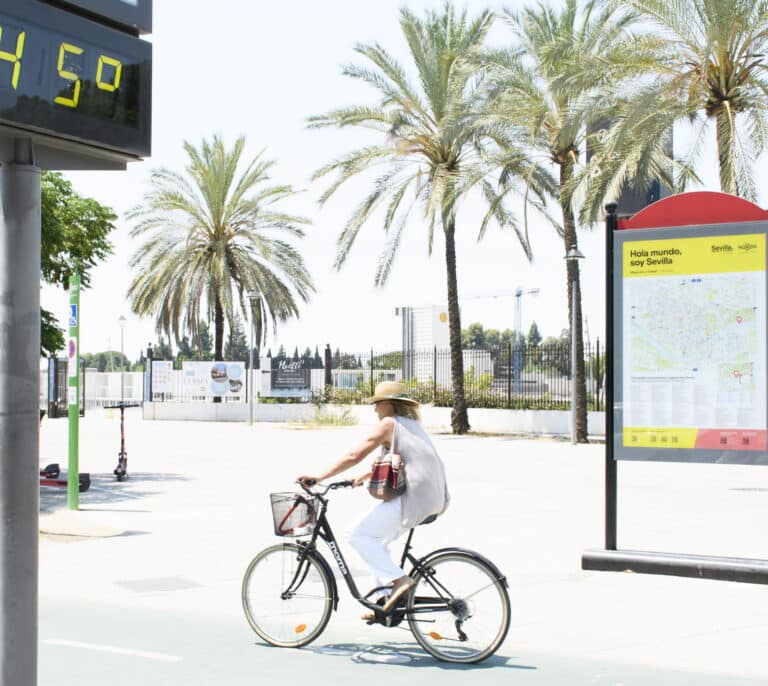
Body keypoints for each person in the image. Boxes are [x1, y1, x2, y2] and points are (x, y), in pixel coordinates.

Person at [297, 380, 449, 617]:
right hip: (435, 499)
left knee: (357, 534)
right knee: (378, 542)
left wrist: (319, 477)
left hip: (415, 499)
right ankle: (382, 600)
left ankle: (400, 582)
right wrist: (367, 474)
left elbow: (354, 454)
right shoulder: (410, 424)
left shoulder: (389, 424)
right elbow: (403, 459)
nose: (375, 409)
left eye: (377, 404)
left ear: (388, 404)